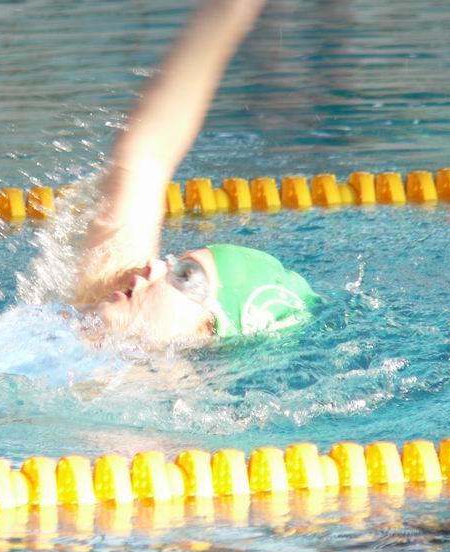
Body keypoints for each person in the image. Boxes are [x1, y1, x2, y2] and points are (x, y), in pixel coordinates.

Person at [72, 0, 318, 346]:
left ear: (209, 330)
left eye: (186, 276)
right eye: (177, 265)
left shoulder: (157, 378)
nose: (155, 267)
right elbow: (144, 158)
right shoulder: (87, 316)